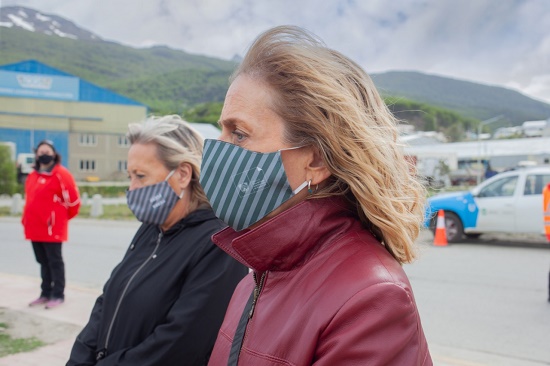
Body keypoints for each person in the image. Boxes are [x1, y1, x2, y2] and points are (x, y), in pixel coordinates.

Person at [200, 26, 432, 365]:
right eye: (221, 129)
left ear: (316, 160)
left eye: (238, 134)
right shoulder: (256, 278)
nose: (216, 150)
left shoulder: (370, 300)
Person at [67, 116, 248, 365]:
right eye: (130, 176)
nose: (131, 188)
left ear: (183, 174)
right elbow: (107, 301)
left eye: (140, 176)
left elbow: (179, 344)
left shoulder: (218, 244)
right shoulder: (150, 229)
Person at [22, 139, 80, 309]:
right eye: (40, 152)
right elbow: (29, 200)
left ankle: (58, 294)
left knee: (55, 261)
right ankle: (45, 293)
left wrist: (58, 219)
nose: (44, 154)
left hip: (52, 228)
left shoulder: (62, 174)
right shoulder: (33, 175)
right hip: (34, 228)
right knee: (42, 261)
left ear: (54, 154)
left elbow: (74, 202)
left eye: (47, 151)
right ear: (36, 155)